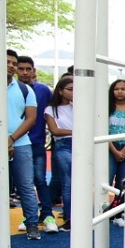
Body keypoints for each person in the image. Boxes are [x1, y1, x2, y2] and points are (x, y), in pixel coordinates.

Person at [0, 48, 41, 241]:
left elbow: (31, 118)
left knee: (26, 186)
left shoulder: (26, 89)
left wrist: (10, 140)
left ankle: (32, 225)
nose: (11, 66)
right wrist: (0, 140)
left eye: (14, 63)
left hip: (21, 144)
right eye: (8, 62)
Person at [16, 56, 56, 233]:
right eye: (21, 68)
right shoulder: (9, 90)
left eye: (28, 69)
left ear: (34, 71)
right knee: (23, 183)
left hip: (37, 142)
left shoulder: (43, 90)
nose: (25, 72)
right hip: (15, 143)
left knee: (40, 179)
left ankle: (47, 215)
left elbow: (55, 109)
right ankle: (29, 216)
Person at [43, 76, 75, 231]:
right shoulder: (50, 109)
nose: (74, 92)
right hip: (63, 146)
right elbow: (54, 130)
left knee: (76, 182)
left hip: (78, 145)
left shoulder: (76, 106)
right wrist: (76, 131)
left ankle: (75, 216)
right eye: (70, 89)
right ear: (61, 91)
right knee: (68, 183)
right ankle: (69, 217)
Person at [107, 79, 125, 191]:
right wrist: (115, 151)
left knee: (123, 182)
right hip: (110, 147)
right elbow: (102, 131)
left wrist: (124, 150)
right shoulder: (107, 107)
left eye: (123, 89)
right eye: (116, 89)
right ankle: (102, 207)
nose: (119, 91)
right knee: (106, 180)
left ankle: (120, 207)